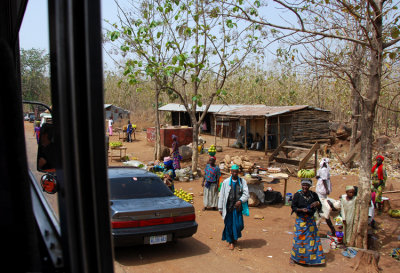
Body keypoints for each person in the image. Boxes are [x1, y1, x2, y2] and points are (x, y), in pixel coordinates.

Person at [290, 178, 325, 266]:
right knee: (299, 239)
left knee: (312, 240)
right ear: (301, 185)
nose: (305, 187)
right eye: (303, 185)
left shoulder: (313, 195)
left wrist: (317, 203)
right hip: (301, 221)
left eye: (307, 185)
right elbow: (293, 207)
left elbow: (319, 204)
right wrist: (301, 209)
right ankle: (295, 258)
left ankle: (310, 259)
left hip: (310, 220)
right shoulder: (297, 195)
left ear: (310, 186)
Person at [218, 164, 249, 250]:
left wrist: (240, 201)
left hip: (237, 208)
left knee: (239, 225)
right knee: (229, 225)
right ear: (231, 172)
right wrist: (220, 208)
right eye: (233, 172)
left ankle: (235, 237)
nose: (235, 173)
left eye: (236, 172)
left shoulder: (243, 182)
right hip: (228, 208)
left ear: (238, 172)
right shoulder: (225, 182)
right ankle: (230, 241)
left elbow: (246, 194)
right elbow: (222, 195)